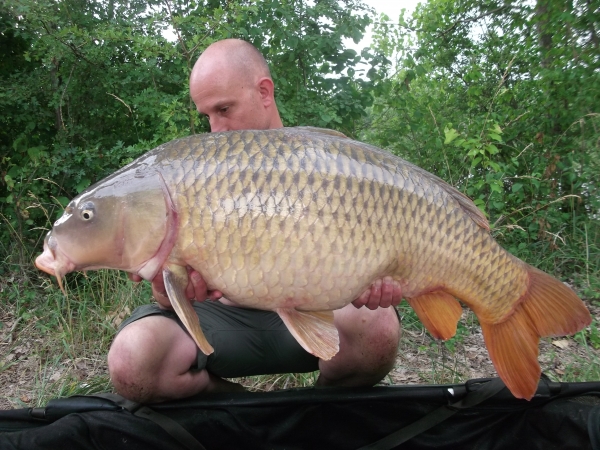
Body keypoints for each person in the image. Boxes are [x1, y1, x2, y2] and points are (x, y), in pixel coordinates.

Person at [107, 39, 402, 403]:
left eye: (224, 109)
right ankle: (241, 412)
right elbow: (169, 294)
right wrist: (167, 291)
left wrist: (375, 282)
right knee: (131, 359)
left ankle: (319, 411)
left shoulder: (329, 169)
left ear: (264, 92)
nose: (215, 129)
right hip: (219, 321)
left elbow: (375, 268)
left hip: (307, 311)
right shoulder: (190, 173)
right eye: (207, 116)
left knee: (378, 326)